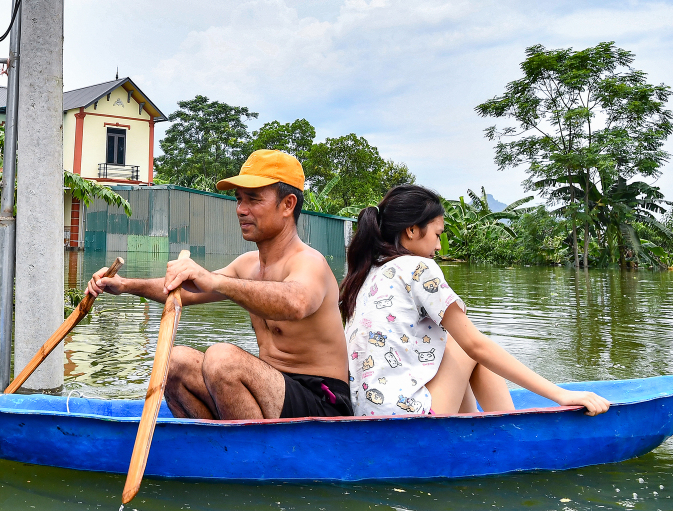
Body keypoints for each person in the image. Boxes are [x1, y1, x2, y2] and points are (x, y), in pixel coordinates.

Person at [85, 150, 352, 420]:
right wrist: (124, 284)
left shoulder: (310, 262)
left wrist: (215, 281)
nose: (241, 210)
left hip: (322, 401)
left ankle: (246, 446)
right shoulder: (247, 264)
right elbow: (184, 292)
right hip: (271, 390)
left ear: (288, 205)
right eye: (239, 199)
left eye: (253, 199)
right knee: (174, 361)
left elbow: (296, 302)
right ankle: (216, 443)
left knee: (223, 360)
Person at [342, 184, 610, 417]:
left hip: (368, 415)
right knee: (468, 346)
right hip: (404, 417)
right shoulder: (418, 267)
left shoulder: (367, 272)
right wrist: (561, 394)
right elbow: (475, 346)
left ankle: (471, 427)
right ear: (412, 230)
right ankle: (509, 434)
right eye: (437, 235)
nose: (439, 246)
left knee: (454, 344)